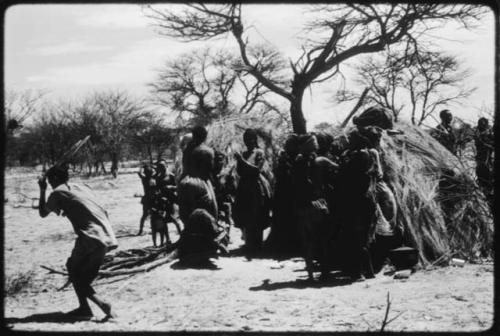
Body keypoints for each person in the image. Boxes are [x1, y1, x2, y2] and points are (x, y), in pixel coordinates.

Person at [38, 165, 118, 320]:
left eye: (49, 180)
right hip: (107, 235)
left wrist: (42, 190)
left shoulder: (57, 192)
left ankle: (102, 305)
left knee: (75, 274)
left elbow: (42, 213)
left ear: (54, 179)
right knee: (81, 276)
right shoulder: (81, 186)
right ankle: (84, 308)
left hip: (91, 236)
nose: (49, 183)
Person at [292, 133, 338, 280]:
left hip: (303, 204)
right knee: (322, 238)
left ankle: (311, 273)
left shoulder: (299, 162)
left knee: (308, 241)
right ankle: (325, 272)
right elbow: (338, 169)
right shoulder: (319, 161)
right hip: (317, 203)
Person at [177, 126, 225, 263]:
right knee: (209, 213)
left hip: (184, 183)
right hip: (200, 184)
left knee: (188, 215)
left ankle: (190, 248)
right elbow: (210, 172)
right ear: (205, 136)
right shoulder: (207, 151)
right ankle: (204, 249)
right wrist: (219, 162)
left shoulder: (187, 149)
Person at [233, 129, 272, 256]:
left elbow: (256, 170)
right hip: (244, 186)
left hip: (256, 187)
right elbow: (240, 171)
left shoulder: (259, 152)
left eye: (249, 138)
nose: (247, 141)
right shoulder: (244, 154)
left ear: (254, 139)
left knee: (257, 213)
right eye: (245, 139)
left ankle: (258, 243)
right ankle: (249, 243)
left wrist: (241, 161)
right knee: (246, 213)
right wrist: (240, 161)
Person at [474, 117, 494, 206]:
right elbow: (479, 143)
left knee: (489, 179)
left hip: (488, 159)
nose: (482, 125)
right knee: (483, 178)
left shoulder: (489, 133)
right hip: (481, 160)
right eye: (480, 123)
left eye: (484, 123)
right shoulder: (477, 133)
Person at [137, 164, 155, 235]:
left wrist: (141, 167)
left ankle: (140, 230)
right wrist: (153, 167)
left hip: (147, 199)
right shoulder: (153, 179)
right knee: (153, 215)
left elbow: (139, 173)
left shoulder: (144, 179)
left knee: (144, 215)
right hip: (153, 199)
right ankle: (153, 229)